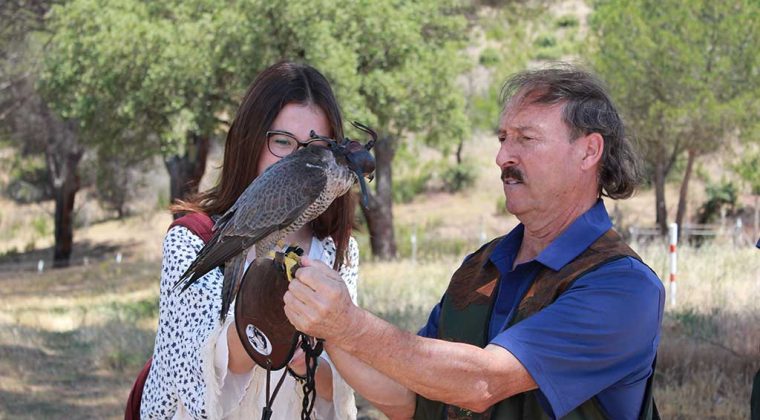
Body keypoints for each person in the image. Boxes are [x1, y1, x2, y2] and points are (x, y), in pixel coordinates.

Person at [283, 65, 665, 419]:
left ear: (588, 151)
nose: (502, 157)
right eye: (502, 138)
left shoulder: (623, 287)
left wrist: (349, 324)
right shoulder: (481, 265)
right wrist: (328, 332)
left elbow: (482, 383)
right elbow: (409, 396)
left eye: (526, 138)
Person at [140, 61, 360, 419]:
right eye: (283, 141)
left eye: (315, 146)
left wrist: (308, 359)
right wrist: (269, 321)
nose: (298, 158)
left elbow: (338, 392)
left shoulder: (338, 251)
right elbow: (189, 377)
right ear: (251, 141)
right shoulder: (192, 240)